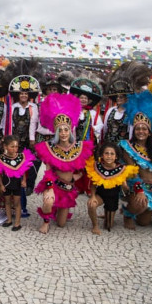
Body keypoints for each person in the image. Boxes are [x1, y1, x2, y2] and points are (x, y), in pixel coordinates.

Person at [34, 93, 93, 234]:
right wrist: (49, 188)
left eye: (66, 130)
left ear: (70, 130)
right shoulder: (49, 148)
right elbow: (48, 171)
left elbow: (84, 170)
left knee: (61, 224)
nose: (63, 133)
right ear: (56, 133)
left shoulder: (80, 148)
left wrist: (74, 179)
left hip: (68, 189)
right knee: (48, 201)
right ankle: (46, 221)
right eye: (60, 130)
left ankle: (57, 210)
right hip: (53, 185)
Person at [119, 91, 152, 230]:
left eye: (144, 129)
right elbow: (132, 171)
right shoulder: (127, 147)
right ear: (134, 130)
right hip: (138, 188)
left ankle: (146, 208)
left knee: (144, 222)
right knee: (139, 207)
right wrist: (139, 190)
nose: (141, 131)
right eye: (138, 129)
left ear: (149, 131)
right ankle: (128, 214)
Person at [7, 74, 41, 217]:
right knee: (15, 169)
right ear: (18, 95)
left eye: (26, 94)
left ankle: (28, 187)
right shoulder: (13, 107)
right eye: (21, 93)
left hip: (28, 141)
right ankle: (16, 201)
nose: (23, 96)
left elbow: (33, 124)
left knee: (30, 166)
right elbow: (10, 124)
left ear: (29, 95)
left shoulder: (34, 107)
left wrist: (32, 139)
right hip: (15, 142)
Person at [85, 142, 138, 234]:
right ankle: (95, 226)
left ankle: (107, 213)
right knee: (91, 204)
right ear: (102, 155)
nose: (109, 156)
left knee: (108, 226)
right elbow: (93, 183)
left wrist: (125, 186)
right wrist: (92, 196)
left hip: (113, 197)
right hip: (100, 195)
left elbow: (125, 190)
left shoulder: (122, 169)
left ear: (116, 157)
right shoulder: (97, 166)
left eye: (112, 154)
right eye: (106, 153)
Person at [0, 135, 36, 232]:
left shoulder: (21, 157)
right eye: (12, 147)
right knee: (7, 202)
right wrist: (1, 184)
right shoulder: (0, 158)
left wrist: (24, 180)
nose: (15, 149)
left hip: (17, 184)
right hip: (6, 184)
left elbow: (24, 170)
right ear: (5, 147)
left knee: (17, 203)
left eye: (16, 147)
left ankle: (17, 223)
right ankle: (9, 220)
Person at [69, 78, 104, 145]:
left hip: (87, 142)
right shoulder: (72, 111)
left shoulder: (93, 113)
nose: (83, 100)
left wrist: (93, 128)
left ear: (88, 101)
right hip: (73, 141)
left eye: (85, 98)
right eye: (81, 98)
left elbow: (100, 125)